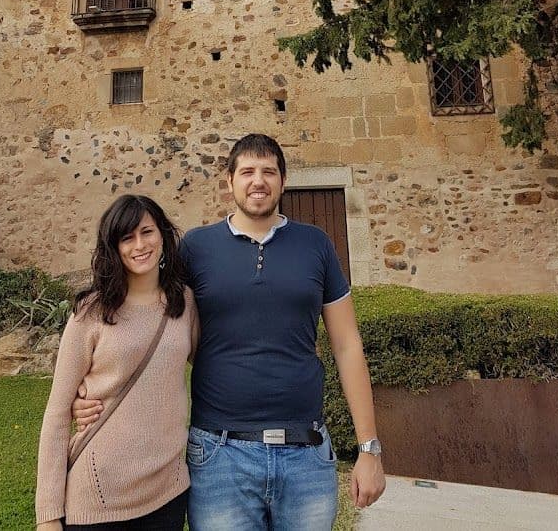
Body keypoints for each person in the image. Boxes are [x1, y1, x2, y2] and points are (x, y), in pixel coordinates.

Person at [74, 134, 385, 530]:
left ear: (283, 181)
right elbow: (150, 323)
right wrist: (92, 389)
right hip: (219, 456)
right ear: (229, 181)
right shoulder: (196, 248)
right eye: (247, 171)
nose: (258, 181)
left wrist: (369, 448)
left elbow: (347, 345)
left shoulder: (316, 244)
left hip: (306, 454)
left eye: (269, 171)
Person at [36, 194, 198, 531]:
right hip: (99, 498)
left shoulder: (184, 302)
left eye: (147, 232)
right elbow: (57, 414)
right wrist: (48, 514)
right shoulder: (91, 313)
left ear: (163, 236)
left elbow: (211, 363)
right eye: (127, 237)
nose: (139, 245)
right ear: (114, 247)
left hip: (167, 493)